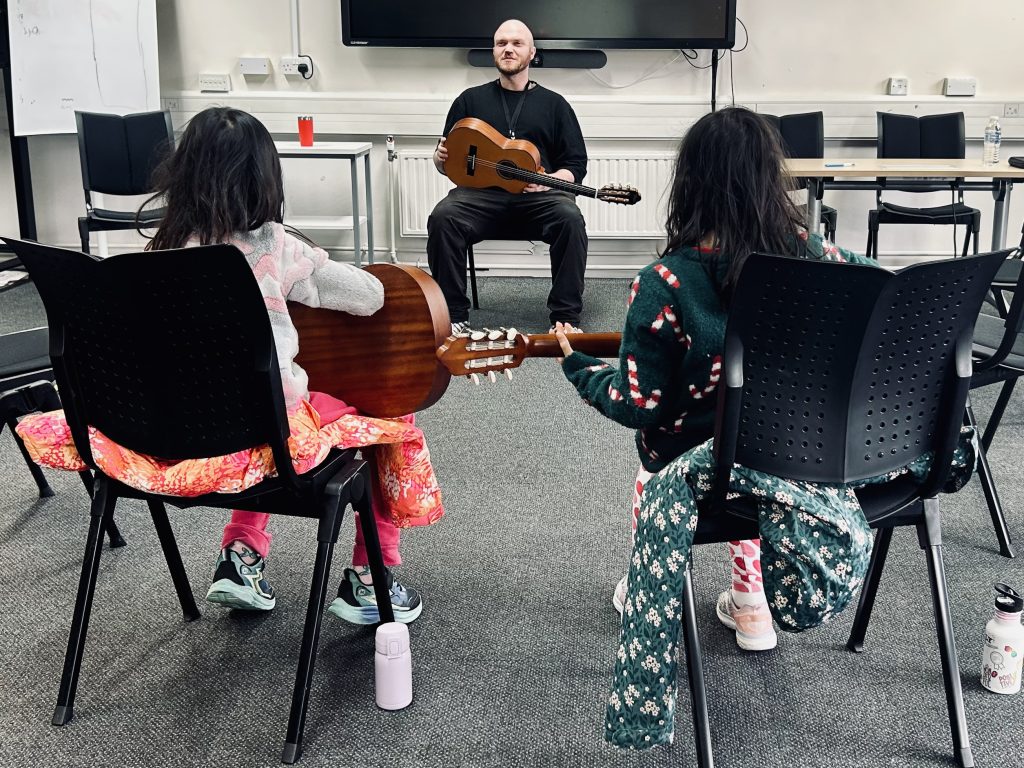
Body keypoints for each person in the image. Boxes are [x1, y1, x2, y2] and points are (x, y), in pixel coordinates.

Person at [554, 107, 879, 652]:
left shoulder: (663, 282)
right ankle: (752, 605)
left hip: (695, 459)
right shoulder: (819, 258)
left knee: (659, 468)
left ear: (689, 184)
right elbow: (885, 292)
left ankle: (648, 584)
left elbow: (639, 404)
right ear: (770, 179)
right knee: (746, 446)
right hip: (793, 450)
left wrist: (582, 370)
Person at [143, 106, 424, 623]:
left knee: (250, 411)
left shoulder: (160, 251)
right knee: (389, 414)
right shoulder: (275, 246)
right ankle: (372, 577)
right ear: (264, 177)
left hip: (173, 432)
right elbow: (370, 296)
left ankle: (240, 555)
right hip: (270, 431)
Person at [428, 18, 589, 335]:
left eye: (517, 43)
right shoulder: (469, 101)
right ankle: (453, 314)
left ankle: (565, 317)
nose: (508, 49)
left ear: (532, 53)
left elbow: (576, 164)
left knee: (570, 219)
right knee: (443, 216)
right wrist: (438, 160)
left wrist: (548, 180)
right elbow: (450, 160)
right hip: (481, 199)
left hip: (539, 200)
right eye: (501, 43)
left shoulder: (555, 105)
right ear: (493, 51)